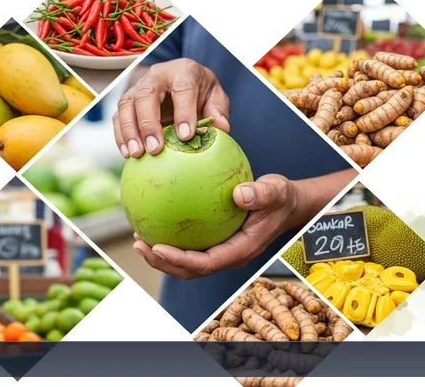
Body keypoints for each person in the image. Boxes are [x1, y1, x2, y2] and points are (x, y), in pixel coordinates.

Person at [113, 17, 357, 331]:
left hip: (341, 264)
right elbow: (146, 68)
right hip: (202, 289)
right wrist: (150, 91)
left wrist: (305, 199)